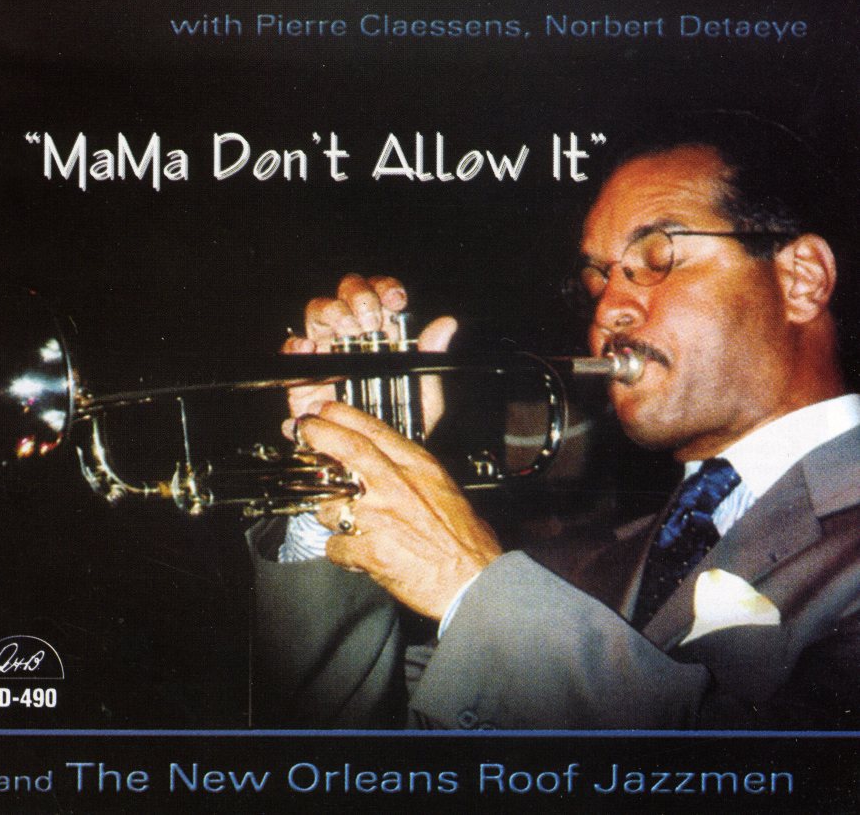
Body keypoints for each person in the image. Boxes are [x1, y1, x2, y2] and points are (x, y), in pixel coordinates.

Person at [247, 115, 860, 728]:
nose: (609, 310)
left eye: (657, 257)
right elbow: (354, 749)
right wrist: (346, 475)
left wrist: (472, 587)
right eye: (598, 279)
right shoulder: (577, 570)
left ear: (801, 279)